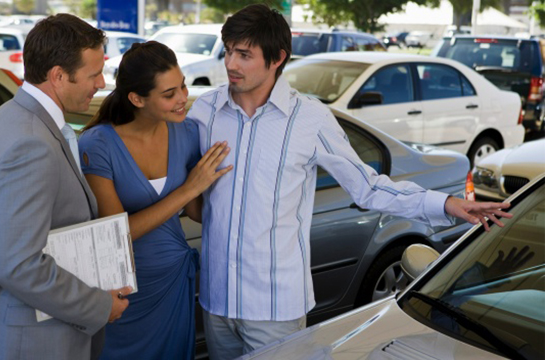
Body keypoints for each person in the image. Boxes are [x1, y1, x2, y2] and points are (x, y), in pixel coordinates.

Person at [186, 4, 514, 359]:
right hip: (216, 301)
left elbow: (367, 187)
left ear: (277, 58)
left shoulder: (308, 119)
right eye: (229, 51)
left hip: (274, 309)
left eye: (244, 55)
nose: (231, 64)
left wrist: (446, 204)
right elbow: (197, 198)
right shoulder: (205, 111)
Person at [0, 14, 131, 360]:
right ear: (58, 76)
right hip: (36, 340)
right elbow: (19, 264)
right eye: (94, 73)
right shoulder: (31, 143)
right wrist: (98, 305)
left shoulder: (8, 116)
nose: (101, 83)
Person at [78, 41, 232, 359]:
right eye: (169, 94)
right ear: (136, 98)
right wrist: (189, 188)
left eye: (183, 87)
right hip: (123, 292)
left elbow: (197, 211)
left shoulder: (187, 133)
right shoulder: (98, 144)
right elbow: (116, 235)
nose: (183, 99)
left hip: (173, 283)